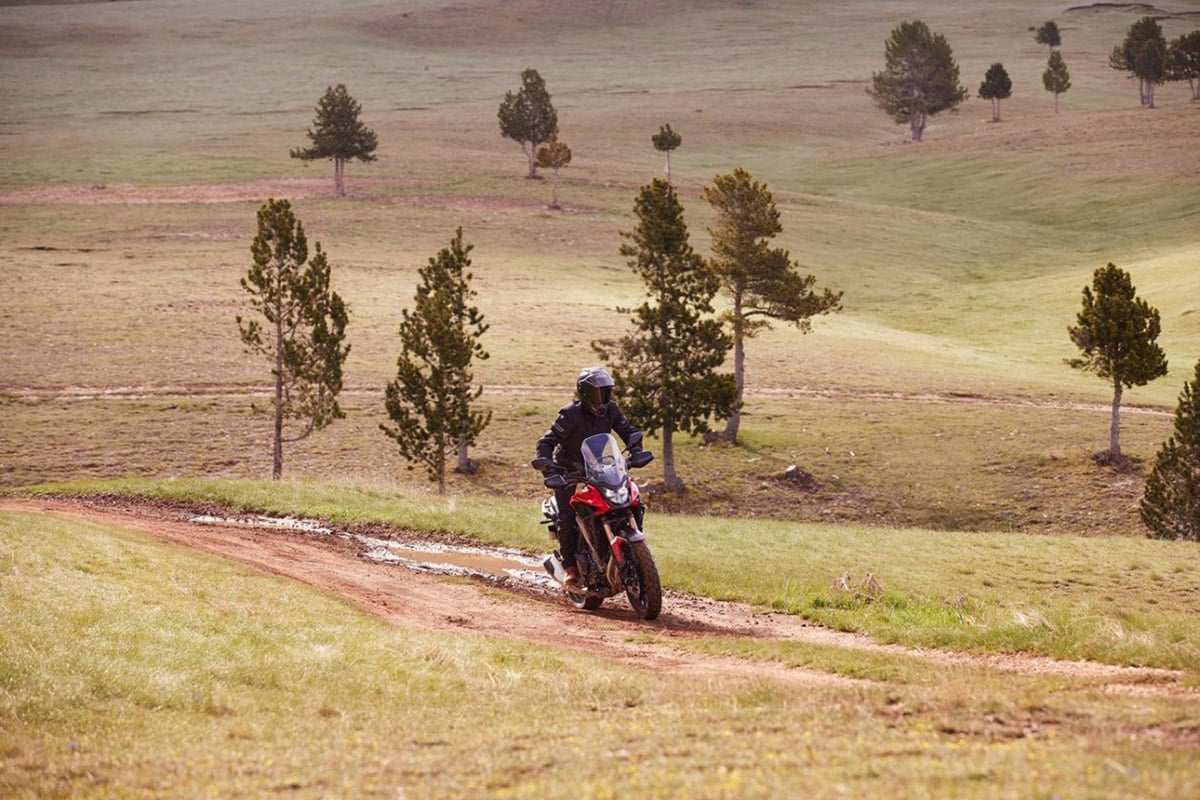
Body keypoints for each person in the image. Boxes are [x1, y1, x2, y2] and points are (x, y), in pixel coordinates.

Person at [535, 366, 643, 587]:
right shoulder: (570, 414)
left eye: (606, 392)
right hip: (569, 472)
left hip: (600, 468)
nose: (602, 397)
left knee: (631, 503)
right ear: (585, 393)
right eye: (598, 392)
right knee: (567, 515)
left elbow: (628, 431)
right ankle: (569, 568)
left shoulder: (611, 410)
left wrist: (636, 449)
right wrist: (549, 468)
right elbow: (545, 443)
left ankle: (630, 550)